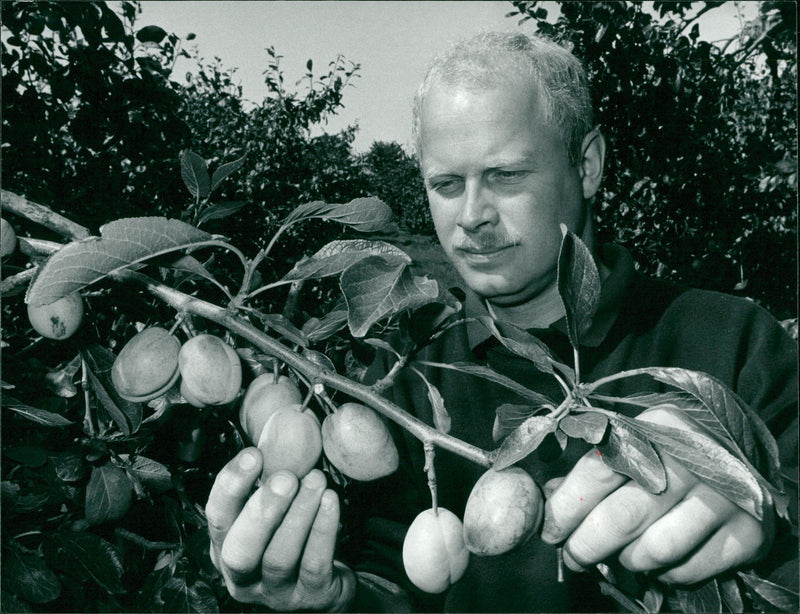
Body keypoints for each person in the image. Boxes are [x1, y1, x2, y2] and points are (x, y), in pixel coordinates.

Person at [205, 31, 798, 612]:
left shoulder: (732, 342)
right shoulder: (406, 369)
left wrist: (763, 512)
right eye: (445, 184)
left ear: (588, 165)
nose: (471, 217)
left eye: (506, 175)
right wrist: (333, 599)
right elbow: (388, 574)